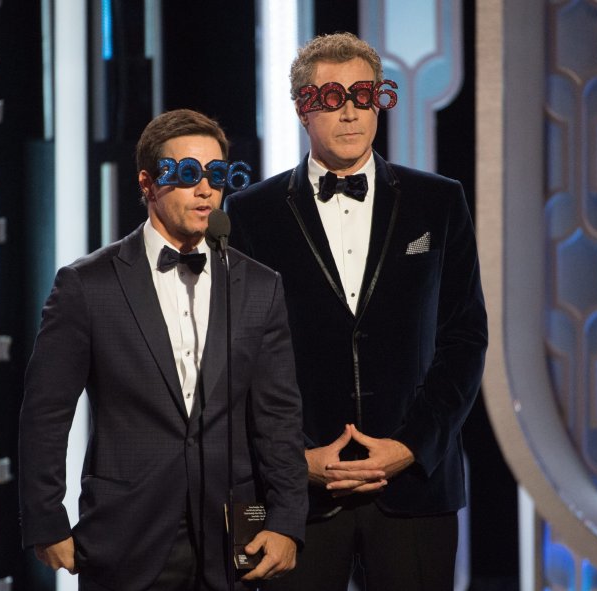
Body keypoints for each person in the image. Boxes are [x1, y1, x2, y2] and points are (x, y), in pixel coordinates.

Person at [224, 33, 487, 590]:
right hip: (294, 494)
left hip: (414, 488)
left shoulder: (438, 201)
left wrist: (411, 446)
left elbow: (464, 338)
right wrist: (294, 459)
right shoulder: (251, 213)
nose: (350, 111)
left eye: (364, 95)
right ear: (302, 109)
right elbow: (233, 355)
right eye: (331, 97)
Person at [18, 108, 307, 590]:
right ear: (148, 183)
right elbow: (46, 412)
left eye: (216, 174)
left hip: (231, 539)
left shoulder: (258, 285)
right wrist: (46, 518)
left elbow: (278, 416)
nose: (206, 189)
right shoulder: (87, 285)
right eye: (188, 174)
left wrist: (286, 520)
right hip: (126, 534)